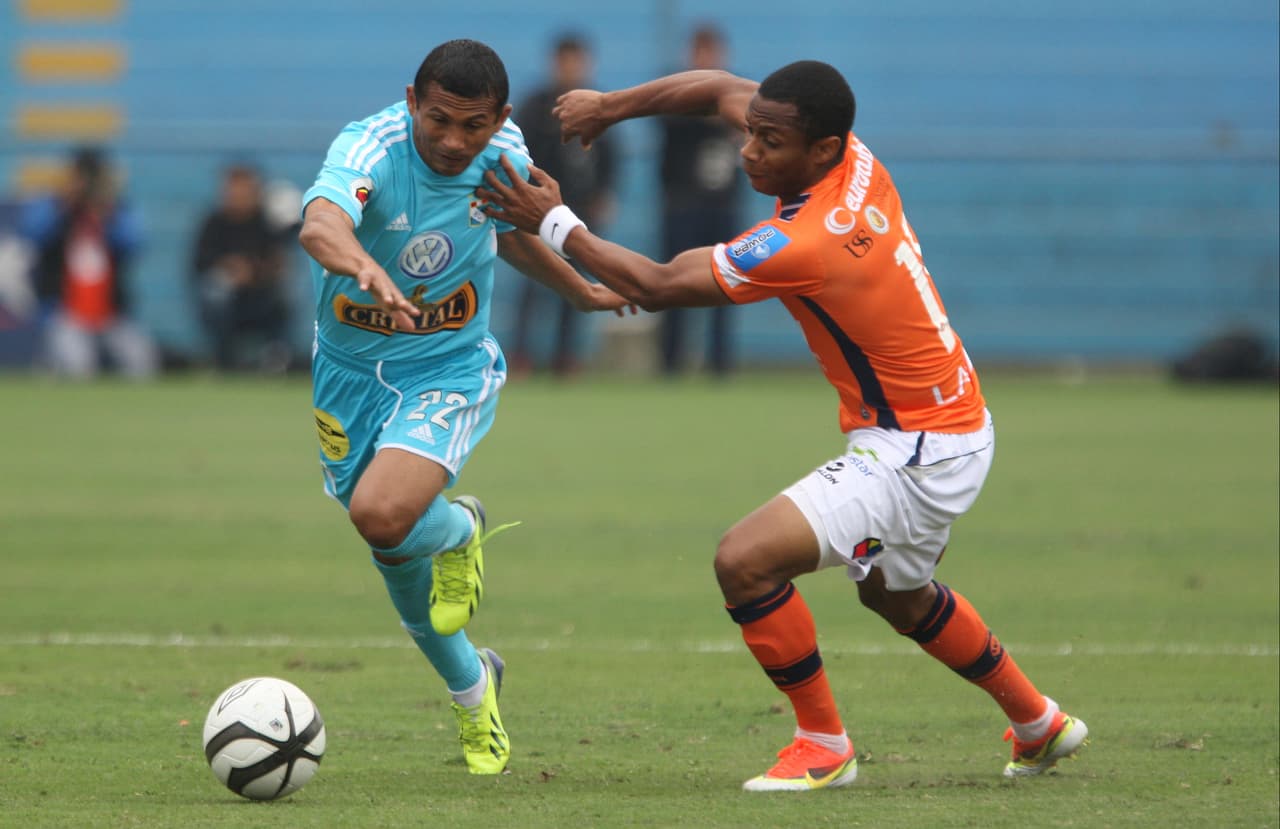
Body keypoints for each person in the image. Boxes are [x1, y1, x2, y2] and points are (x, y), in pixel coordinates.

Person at [480, 61, 1089, 791]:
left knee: (745, 559)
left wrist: (552, 218)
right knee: (897, 593)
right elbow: (716, 90)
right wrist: (611, 107)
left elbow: (658, 284)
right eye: (753, 131)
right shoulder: (853, 157)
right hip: (950, 424)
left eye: (769, 141)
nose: (749, 151)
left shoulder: (805, 242)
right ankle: (1038, 722)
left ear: (822, 150)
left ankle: (823, 744)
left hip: (916, 450)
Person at [296, 39, 630, 775]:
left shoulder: (502, 155)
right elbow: (320, 225)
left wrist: (580, 289)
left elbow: (512, 233)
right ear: (412, 100)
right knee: (388, 540)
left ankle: (456, 530)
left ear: (501, 119)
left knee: (383, 514)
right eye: (439, 120)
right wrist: (363, 265)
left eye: (472, 125)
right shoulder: (371, 148)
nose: (453, 141)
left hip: (446, 366)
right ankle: (474, 685)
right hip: (349, 372)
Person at [507, 33, 618, 378]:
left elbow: (611, 153)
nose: (571, 67)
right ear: (555, 62)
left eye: (577, 60)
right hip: (539, 210)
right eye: (565, 60)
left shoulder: (597, 104)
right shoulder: (536, 105)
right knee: (534, 281)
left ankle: (564, 357)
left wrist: (605, 192)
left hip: (580, 209)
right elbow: (517, 154)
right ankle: (521, 354)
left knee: (575, 281)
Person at [20, 146, 157, 379]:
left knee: (142, 361)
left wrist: (107, 213)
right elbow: (31, 233)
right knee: (80, 366)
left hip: (111, 312)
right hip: (65, 311)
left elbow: (135, 244)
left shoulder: (115, 209)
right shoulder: (55, 205)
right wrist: (64, 203)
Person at [656, 25, 741, 378]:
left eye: (711, 51)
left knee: (728, 284)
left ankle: (719, 363)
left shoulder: (737, 92)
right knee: (674, 284)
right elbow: (668, 122)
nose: (705, 58)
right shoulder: (677, 92)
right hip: (683, 203)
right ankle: (671, 362)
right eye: (700, 51)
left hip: (722, 205)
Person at [191, 163, 293, 372]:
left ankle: (276, 358)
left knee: (288, 293)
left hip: (262, 296)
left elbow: (279, 262)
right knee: (214, 290)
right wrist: (228, 269)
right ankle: (224, 360)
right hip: (228, 300)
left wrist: (252, 273)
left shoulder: (267, 222)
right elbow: (199, 262)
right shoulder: (214, 222)